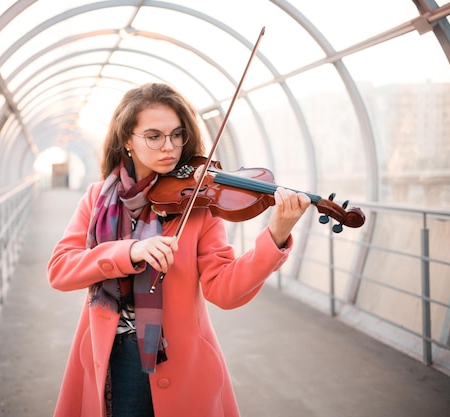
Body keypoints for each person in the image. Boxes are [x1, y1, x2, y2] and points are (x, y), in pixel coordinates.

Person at [47, 82, 310, 417]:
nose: (168, 147)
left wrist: (275, 235)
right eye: (154, 136)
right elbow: (60, 269)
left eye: (177, 135)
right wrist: (130, 252)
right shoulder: (98, 198)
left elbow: (225, 291)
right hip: (114, 358)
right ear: (127, 139)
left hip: (181, 362)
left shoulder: (198, 203)